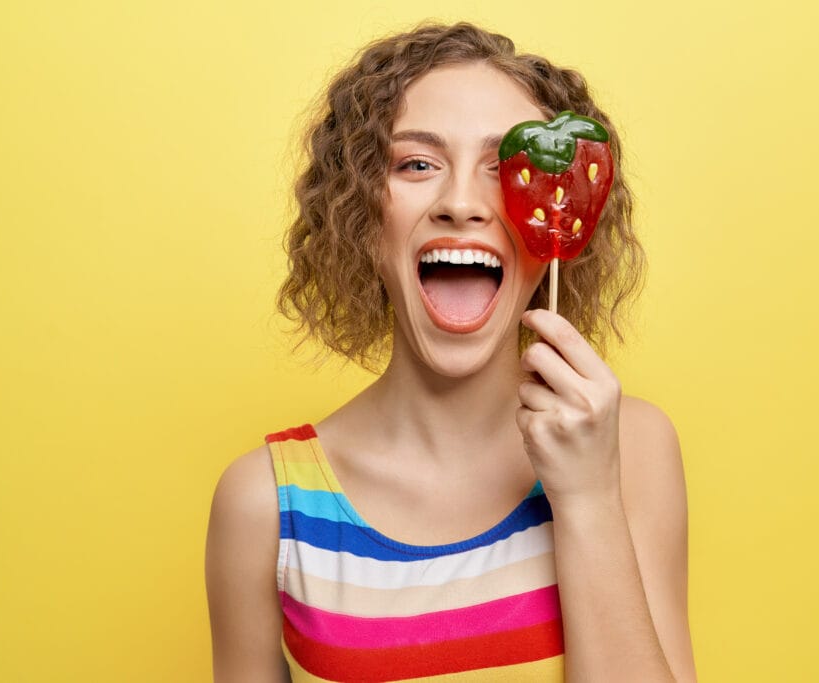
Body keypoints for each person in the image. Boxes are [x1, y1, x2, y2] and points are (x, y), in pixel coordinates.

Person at [205, 22, 696, 683]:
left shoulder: (630, 449)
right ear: (362, 220)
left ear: (557, 222)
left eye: (505, 169)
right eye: (416, 164)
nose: (461, 203)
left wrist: (586, 498)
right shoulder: (264, 504)